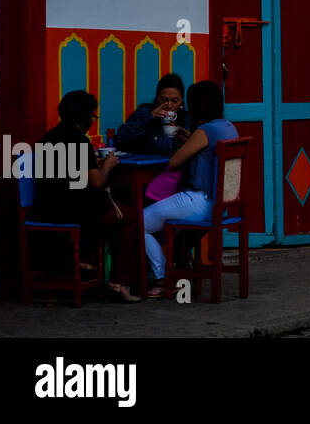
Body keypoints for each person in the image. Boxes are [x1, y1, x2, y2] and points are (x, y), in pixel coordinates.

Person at [31, 91, 141, 302]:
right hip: (72, 211)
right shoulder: (79, 141)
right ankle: (118, 282)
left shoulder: (48, 137)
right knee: (131, 217)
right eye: (92, 116)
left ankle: (87, 261)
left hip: (45, 207)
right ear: (83, 118)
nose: (93, 120)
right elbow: (98, 181)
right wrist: (107, 165)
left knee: (107, 214)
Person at [141, 80, 237, 298]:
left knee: (140, 223)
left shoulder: (204, 131)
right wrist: (190, 138)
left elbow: (175, 162)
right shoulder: (228, 127)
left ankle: (162, 276)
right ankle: (171, 272)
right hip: (219, 205)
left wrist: (189, 139)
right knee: (161, 227)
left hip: (198, 201)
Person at [114, 73, 190, 155]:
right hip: (149, 164)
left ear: (181, 100)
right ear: (157, 97)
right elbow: (121, 137)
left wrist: (190, 141)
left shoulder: (187, 118)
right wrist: (150, 117)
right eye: (164, 100)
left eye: (174, 101)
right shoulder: (145, 111)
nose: (169, 105)